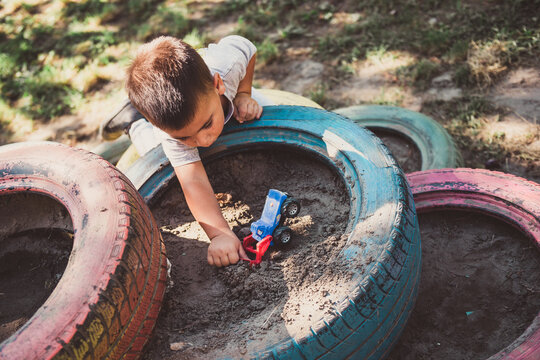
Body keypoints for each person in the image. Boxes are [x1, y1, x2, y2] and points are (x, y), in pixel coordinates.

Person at [100, 35, 274, 267]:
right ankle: (133, 120)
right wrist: (220, 234)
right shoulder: (169, 134)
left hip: (224, 93)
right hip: (166, 122)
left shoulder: (228, 64)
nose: (202, 141)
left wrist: (243, 93)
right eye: (185, 136)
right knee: (154, 152)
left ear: (218, 85)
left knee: (265, 109)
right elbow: (193, 182)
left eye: (206, 125)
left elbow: (246, 46)